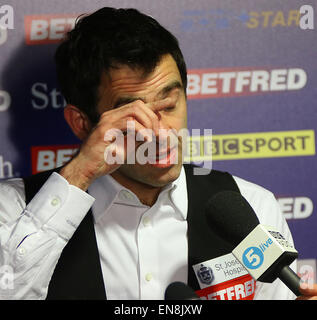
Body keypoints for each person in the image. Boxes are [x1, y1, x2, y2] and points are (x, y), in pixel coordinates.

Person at [0, 7, 316, 300]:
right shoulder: (14, 210)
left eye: (169, 106)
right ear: (82, 123)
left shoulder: (254, 206)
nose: (160, 133)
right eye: (132, 118)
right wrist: (79, 174)